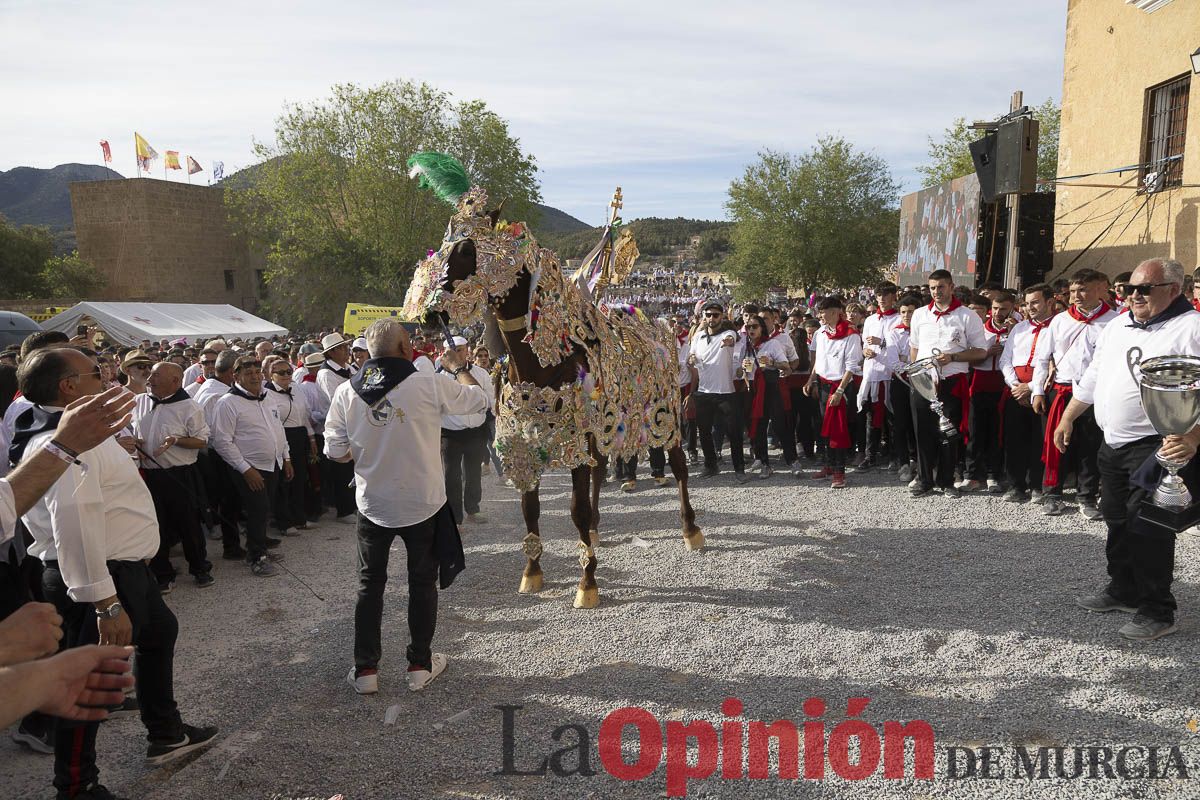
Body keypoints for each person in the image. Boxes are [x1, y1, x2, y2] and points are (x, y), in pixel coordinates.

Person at [12, 348, 218, 797]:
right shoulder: (59, 442)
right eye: (94, 374)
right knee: (89, 685)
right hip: (99, 578)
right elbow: (75, 523)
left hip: (124, 571)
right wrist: (104, 602)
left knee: (160, 632)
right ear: (68, 387)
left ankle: (164, 731)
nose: (105, 378)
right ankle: (76, 783)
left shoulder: (78, 432)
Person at [324, 319, 486, 695]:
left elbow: (334, 451)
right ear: (404, 349)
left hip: (373, 502)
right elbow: (477, 399)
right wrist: (460, 369)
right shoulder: (428, 383)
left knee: (370, 585)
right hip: (421, 502)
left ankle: (366, 670)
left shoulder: (347, 392)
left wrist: (366, 453)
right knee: (421, 583)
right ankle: (418, 664)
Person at [1054, 258, 1200, 641]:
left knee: (1148, 524)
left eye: (1144, 289)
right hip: (1114, 441)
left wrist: (1194, 436)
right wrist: (1069, 415)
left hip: (1159, 444)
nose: (1133, 295)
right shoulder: (1118, 324)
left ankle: (1157, 609)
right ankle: (1124, 588)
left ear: (1173, 289)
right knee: (1116, 517)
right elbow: (1094, 374)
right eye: (1129, 289)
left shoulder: (1192, 328)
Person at [1033, 268, 1118, 519]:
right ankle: (1053, 494)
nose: (1076, 296)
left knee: (1090, 446)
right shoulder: (1059, 320)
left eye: (1083, 290)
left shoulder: (1114, 321)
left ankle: (1087, 496)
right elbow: (1042, 358)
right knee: (1056, 443)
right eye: (1072, 291)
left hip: (1095, 394)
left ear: (1100, 289)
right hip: (1062, 390)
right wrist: (1037, 391)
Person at [132, 362, 213, 592]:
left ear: (175, 381)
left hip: (180, 474)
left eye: (156, 375)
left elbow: (202, 440)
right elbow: (132, 429)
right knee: (156, 525)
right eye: (150, 374)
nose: (149, 379)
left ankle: (200, 568)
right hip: (149, 475)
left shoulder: (189, 407)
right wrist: (135, 442)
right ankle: (163, 574)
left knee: (189, 525)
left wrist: (176, 440)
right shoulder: (139, 401)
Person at [907, 270, 987, 497]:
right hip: (923, 381)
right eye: (933, 287)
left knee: (949, 433)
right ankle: (924, 480)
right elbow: (914, 347)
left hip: (952, 381)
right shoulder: (920, 314)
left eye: (941, 287)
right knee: (922, 431)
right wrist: (915, 373)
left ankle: (947, 480)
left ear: (951, 287)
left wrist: (953, 357)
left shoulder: (967, 316)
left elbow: (980, 351)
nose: (936, 292)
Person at [209, 357, 291, 577]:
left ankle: (258, 547)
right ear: (236, 377)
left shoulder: (268, 397)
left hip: (272, 464)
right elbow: (222, 441)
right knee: (257, 510)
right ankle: (257, 557)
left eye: (257, 371)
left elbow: (278, 429)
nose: (255, 376)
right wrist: (245, 469)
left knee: (263, 510)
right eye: (248, 373)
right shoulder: (227, 403)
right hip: (248, 467)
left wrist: (286, 456)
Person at [999, 285, 1055, 502]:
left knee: (1040, 440)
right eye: (1027, 303)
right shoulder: (1018, 328)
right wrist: (1015, 385)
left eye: (1035, 302)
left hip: (1042, 390)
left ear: (1049, 302)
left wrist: (1031, 386)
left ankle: (1037, 485)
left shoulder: (1058, 327)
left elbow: (1052, 364)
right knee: (1015, 439)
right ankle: (1016, 485)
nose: (1030, 307)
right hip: (1015, 390)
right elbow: (1005, 359)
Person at [961, 289, 1017, 493]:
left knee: (997, 431)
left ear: (1011, 309)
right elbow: (966, 356)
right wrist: (986, 354)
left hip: (1002, 384)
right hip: (979, 381)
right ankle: (972, 474)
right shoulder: (979, 330)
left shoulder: (1016, 329)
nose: (998, 313)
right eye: (994, 308)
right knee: (975, 430)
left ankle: (994, 475)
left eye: (1003, 309)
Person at [804, 297, 863, 488]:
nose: (821, 315)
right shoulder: (820, 332)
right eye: (819, 311)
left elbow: (852, 366)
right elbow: (818, 361)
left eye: (824, 311)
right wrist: (810, 379)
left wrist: (839, 391)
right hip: (822, 384)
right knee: (824, 427)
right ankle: (829, 464)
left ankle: (839, 471)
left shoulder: (851, 334)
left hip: (840, 386)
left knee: (838, 430)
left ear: (837, 311)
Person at [687, 301, 748, 480]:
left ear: (722, 317)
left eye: (715, 315)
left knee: (734, 432)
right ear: (703, 317)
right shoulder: (698, 337)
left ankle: (739, 469)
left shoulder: (728, 333)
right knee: (704, 432)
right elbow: (692, 357)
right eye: (708, 315)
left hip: (725, 392)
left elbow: (733, 338)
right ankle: (711, 466)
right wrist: (691, 360)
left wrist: (729, 341)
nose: (711, 318)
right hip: (704, 392)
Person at [438, 336, 494, 524]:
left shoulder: (480, 373)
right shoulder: (439, 378)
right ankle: (455, 518)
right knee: (451, 476)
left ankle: (473, 509)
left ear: (468, 350)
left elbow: (489, 400)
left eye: (461, 349)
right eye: (453, 351)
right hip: (450, 433)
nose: (458, 354)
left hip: (476, 431)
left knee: (473, 474)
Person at [264, 357, 316, 536]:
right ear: (271, 375)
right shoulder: (267, 394)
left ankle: (299, 517)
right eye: (281, 372)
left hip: (299, 435)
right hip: (281, 436)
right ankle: (284, 522)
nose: (286, 375)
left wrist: (311, 437)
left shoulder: (297, 388)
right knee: (283, 480)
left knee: (300, 478)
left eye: (289, 371)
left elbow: (304, 415)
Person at [744, 314, 798, 478]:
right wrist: (743, 370)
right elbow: (744, 372)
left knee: (780, 425)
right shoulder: (746, 346)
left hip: (771, 386)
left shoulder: (772, 344)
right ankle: (765, 464)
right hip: (755, 388)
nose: (751, 330)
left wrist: (771, 363)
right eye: (748, 327)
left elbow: (786, 366)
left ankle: (793, 461)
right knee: (759, 427)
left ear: (762, 328)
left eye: (755, 326)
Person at [857, 283, 901, 472]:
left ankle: (894, 456)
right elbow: (864, 341)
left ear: (893, 297)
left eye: (886, 295)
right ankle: (870, 455)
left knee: (892, 417)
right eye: (879, 295)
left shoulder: (900, 319)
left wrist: (881, 343)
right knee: (871, 416)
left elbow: (900, 345)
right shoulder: (870, 320)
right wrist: (865, 350)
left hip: (890, 374)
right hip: (872, 372)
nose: (882, 299)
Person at [316, 333, 358, 523]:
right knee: (341, 469)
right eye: (341, 348)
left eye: (345, 346)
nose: (346, 350)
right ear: (331, 353)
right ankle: (344, 509)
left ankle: (354, 504)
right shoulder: (326, 373)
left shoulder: (349, 369)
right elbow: (336, 400)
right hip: (339, 426)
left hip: (355, 423)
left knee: (354, 467)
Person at [886, 294, 919, 482]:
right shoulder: (893, 333)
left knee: (918, 422)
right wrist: (910, 363)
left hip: (920, 381)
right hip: (900, 382)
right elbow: (893, 361)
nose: (907, 315)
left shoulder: (923, 331)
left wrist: (907, 360)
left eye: (911, 312)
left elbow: (925, 356)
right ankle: (904, 462)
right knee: (900, 424)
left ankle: (917, 459)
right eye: (904, 312)